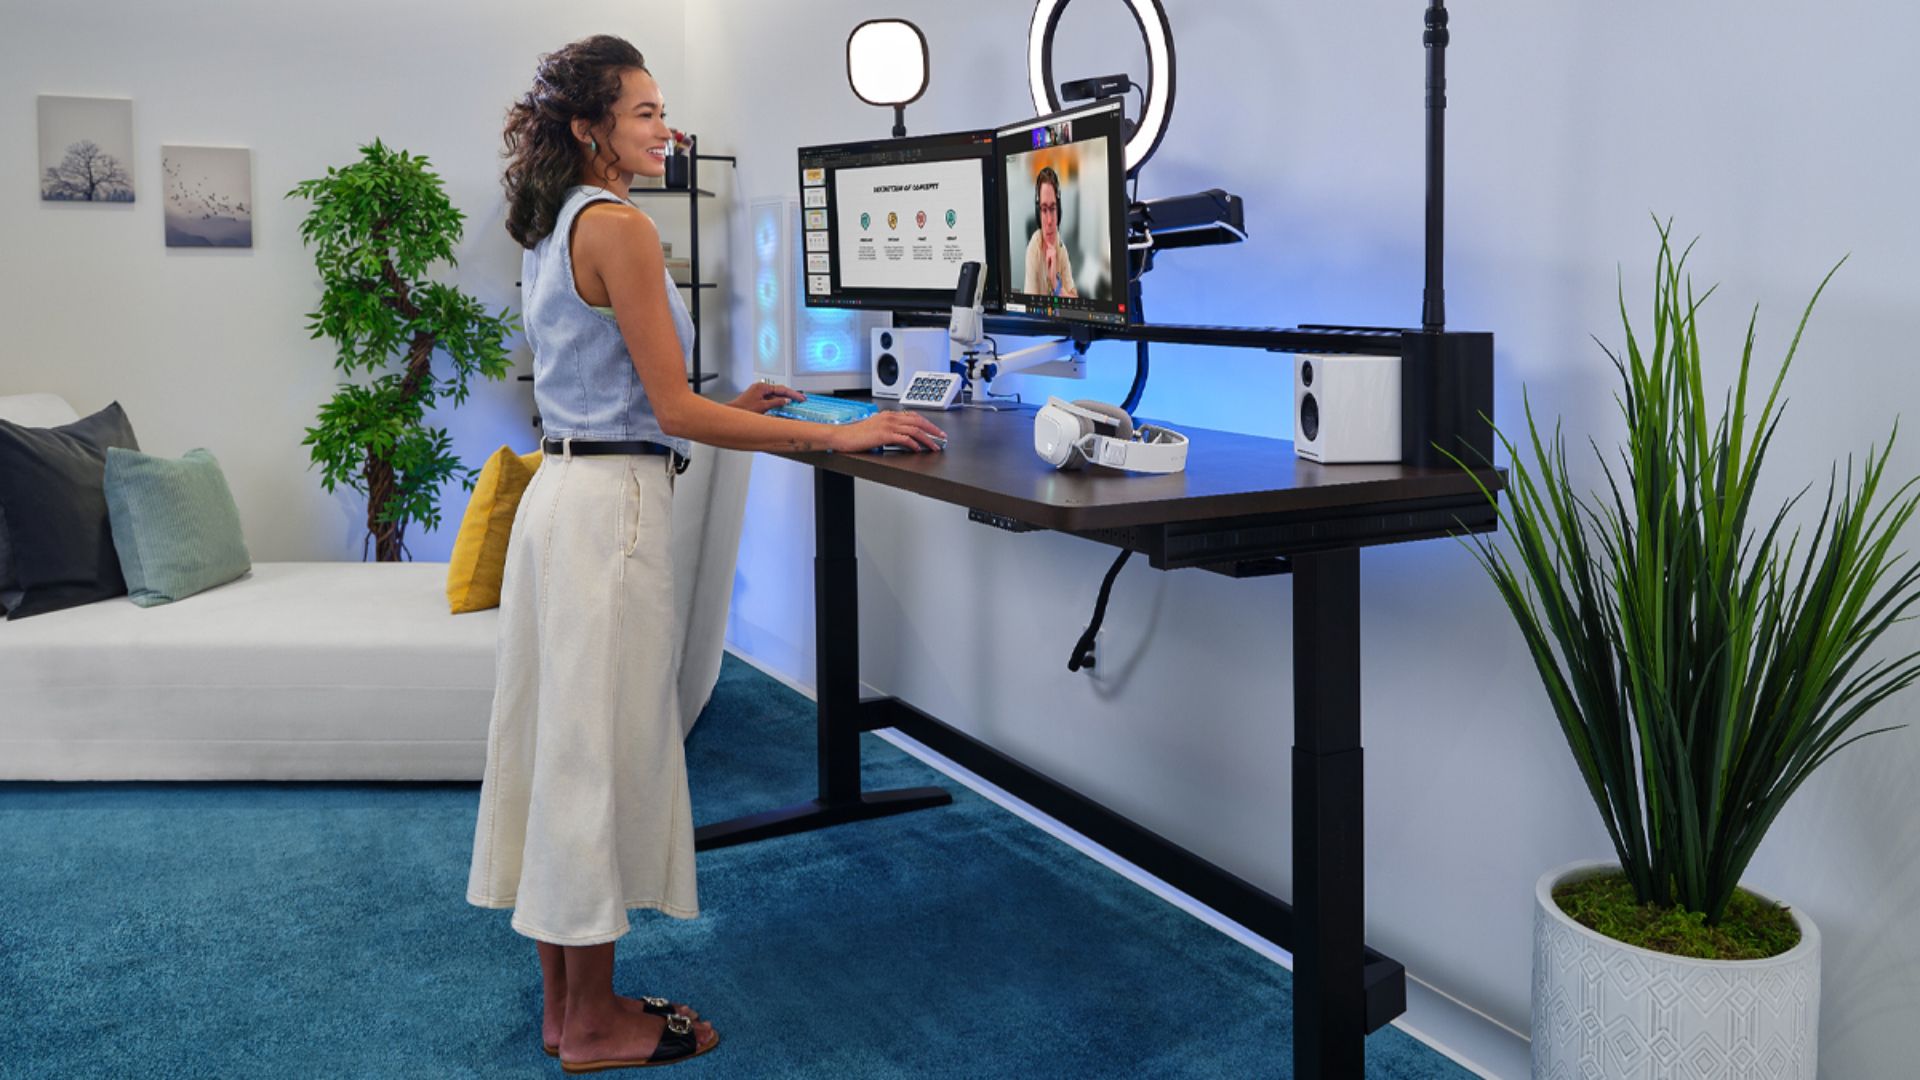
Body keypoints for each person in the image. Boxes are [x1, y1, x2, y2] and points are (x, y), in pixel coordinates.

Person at [469, 35, 946, 1073]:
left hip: (564, 498)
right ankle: (594, 1027)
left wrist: (734, 408)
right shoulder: (625, 228)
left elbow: (622, 395)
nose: (665, 127)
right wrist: (837, 433)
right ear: (592, 128)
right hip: (610, 517)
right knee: (597, 761)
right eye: (644, 111)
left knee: (564, 756)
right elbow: (670, 405)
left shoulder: (553, 223)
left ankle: (569, 1005)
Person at [1022, 166, 1078, 299]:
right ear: (1038, 214)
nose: (1049, 221)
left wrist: (1055, 284)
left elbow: (1075, 298)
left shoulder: (1061, 248)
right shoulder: (1033, 250)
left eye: (1052, 209)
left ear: (1059, 211)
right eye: (1043, 209)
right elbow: (1029, 312)